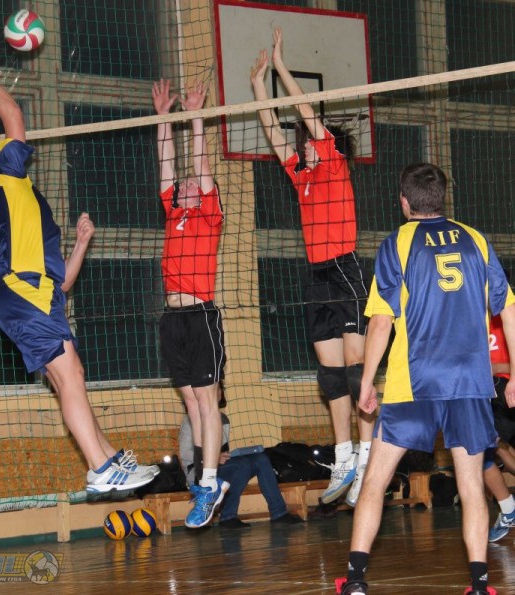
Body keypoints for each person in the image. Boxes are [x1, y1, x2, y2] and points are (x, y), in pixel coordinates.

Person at [0, 41, 157, 494]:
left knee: (71, 378)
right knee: (70, 377)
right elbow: (13, 113)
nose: (1, 153)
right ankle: (101, 468)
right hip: (25, 294)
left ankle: (108, 457)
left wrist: (81, 244)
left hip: (35, 294)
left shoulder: (16, 204)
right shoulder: (5, 180)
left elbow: (62, 282)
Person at [336, 163, 515, 595]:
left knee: (375, 480)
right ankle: (479, 584)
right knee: (471, 486)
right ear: (442, 197)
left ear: (404, 202)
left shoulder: (397, 242)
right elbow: (508, 310)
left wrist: (366, 381)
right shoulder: (475, 240)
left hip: (412, 382)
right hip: (469, 383)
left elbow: (381, 321)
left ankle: (355, 580)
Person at [250, 27, 373, 507]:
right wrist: (258, 86)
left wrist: (282, 67)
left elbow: (305, 111)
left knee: (357, 374)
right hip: (316, 277)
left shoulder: (334, 165)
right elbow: (270, 128)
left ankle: (368, 458)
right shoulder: (299, 175)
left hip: (346, 273)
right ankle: (344, 456)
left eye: (309, 139)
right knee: (330, 378)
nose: (300, 142)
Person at [152, 79, 228, 528]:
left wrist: (196, 117)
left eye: (193, 184)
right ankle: (203, 479)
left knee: (207, 400)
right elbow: (167, 163)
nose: (185, 183)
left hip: (200, 313)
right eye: (182, 185)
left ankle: (211, 480)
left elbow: (200, 164)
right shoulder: (174, 212)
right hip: (172, 318)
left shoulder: (208, 214)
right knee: (192, 403)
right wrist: (163, 117)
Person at [179, 385, 303, 528]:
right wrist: (213, 459)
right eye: (214, 389)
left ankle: (279, 513)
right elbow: (186, 456)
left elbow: (222, 449)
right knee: (242, 464)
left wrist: (222, 457)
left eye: (218, 389)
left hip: (218, 467)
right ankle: (228, 515)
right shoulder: (190, 421)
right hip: (198, 472)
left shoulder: (223, 419)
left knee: (260, 459)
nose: (216, 392)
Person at [485, 312, 515, 542]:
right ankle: (508, 508)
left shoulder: (506, 315)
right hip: (488, 394)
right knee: (482, 450)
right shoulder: (471, 316)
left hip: (506, 389)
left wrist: (492, 368)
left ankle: (508, 508)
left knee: (482, 450)